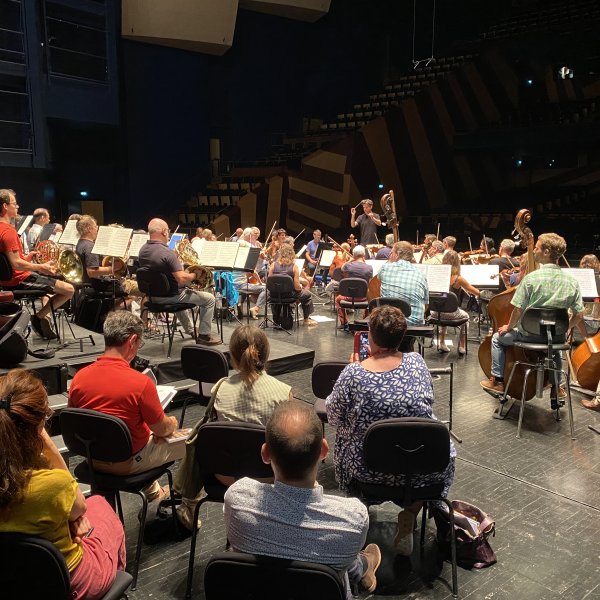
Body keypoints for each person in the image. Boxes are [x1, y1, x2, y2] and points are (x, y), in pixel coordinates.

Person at [326, 305, 455, 556]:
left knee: (346, 432)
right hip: (423, 473)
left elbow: (332, 416)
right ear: (402, 335)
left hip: (369, 473)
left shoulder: (354, 373)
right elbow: (428, 403)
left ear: (370, 335)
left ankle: (359, 518)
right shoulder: (417, 363)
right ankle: (411, 513)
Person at [224, 401, 382, 597]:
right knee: (343, 555)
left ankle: (362, 566)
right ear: (323, 450)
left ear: (265, 454)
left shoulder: (237, 499)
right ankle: (364, 566)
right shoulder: (353, 518)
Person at [0, 368, 126, 600]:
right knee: (99, 504)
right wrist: (43, 438)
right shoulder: (51, 486)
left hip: (8, 582)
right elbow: (79, 505)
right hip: (68, 582)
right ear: (37, 427)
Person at [68, 312, 186, 502]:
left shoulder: (78, 378)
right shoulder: (140, 383)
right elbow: (162, 430)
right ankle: (188, 508)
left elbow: (77, 421)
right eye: (139, 343)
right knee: (193, 443)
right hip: (126, 463)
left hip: (92, 458)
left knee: (141, 431)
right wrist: (172, 423)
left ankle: (154, 494)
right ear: (132, 340)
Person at [480, 233, 586, 406]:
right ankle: (557, 387)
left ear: (546, 252)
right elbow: (579, 315)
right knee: (554, 347)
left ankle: (497, 381)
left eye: (536, 247)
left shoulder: (531, 279)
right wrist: (565, 329)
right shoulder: (572, 281)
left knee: (497, 339)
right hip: (556, 338)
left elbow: (518, 309)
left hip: (529, 337)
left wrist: (508, 326)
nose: (534, 250)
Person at [0, 189, 74, 340]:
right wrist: (42, 267)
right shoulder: (8, 231)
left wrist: (29, 257)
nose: (18, 206)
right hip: (20, 280)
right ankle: (39, 317)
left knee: (52, 281)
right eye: (15, 203)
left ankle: (40, 318)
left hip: (7, 280)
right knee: (69, 289)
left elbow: (8, 261)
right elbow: (15, 264)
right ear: (5, 206)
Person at [138, 218, 220, 345]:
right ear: (165, 232)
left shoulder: (143, 250)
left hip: (151, 297)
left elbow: (161, 265)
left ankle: (191, 330)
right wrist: (195, 274)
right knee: (209, 299)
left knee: (180, 291)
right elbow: (182, 278)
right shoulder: (167, 253)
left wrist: (175, 254)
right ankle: (204, 335)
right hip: (170, 297)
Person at [431, 250, 480, 354]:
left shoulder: (436, 276)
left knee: (442, 308)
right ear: (457, 263)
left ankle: (442, 343)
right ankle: (462, 346)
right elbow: (476, 292)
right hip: (452, 314)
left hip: (435, 313)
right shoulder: (458, 279)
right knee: (466, 318)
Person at [378, 241, 429, 326]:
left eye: (391, 253)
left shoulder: (385, 268)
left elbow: (378, 279)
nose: (390, 256)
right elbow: (426, 306)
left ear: (397, 254)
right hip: (414, 325)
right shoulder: (421, 274)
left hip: (389, 322)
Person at [269, 243, 316, 326]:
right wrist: (302, 289)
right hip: (289, 296)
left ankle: (276, 319)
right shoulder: (294, 267)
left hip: (274, 295)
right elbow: (297, 288)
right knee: (307, 295)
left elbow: (269, 283)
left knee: (276, 298)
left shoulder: (273, 265)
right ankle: (306, 319)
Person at [335, 245, 373, 330]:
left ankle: (344, 323)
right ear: (364, 255)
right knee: (371, 300)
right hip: (363, 298)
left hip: (349, 297)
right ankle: (363, 322)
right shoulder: (369, 268)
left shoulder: (348, 266)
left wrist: (351, 259)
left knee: (337, 299)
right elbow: (370, 283)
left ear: (354, 255)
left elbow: (342, 268)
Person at [75, 215, 115, 283]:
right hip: (93, 286)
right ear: (89, 229)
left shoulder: (80, 242)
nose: (97, 229)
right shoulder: (90, 246)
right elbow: (92, 272)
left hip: (83, 283)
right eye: (96, 226)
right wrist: (113, 269)